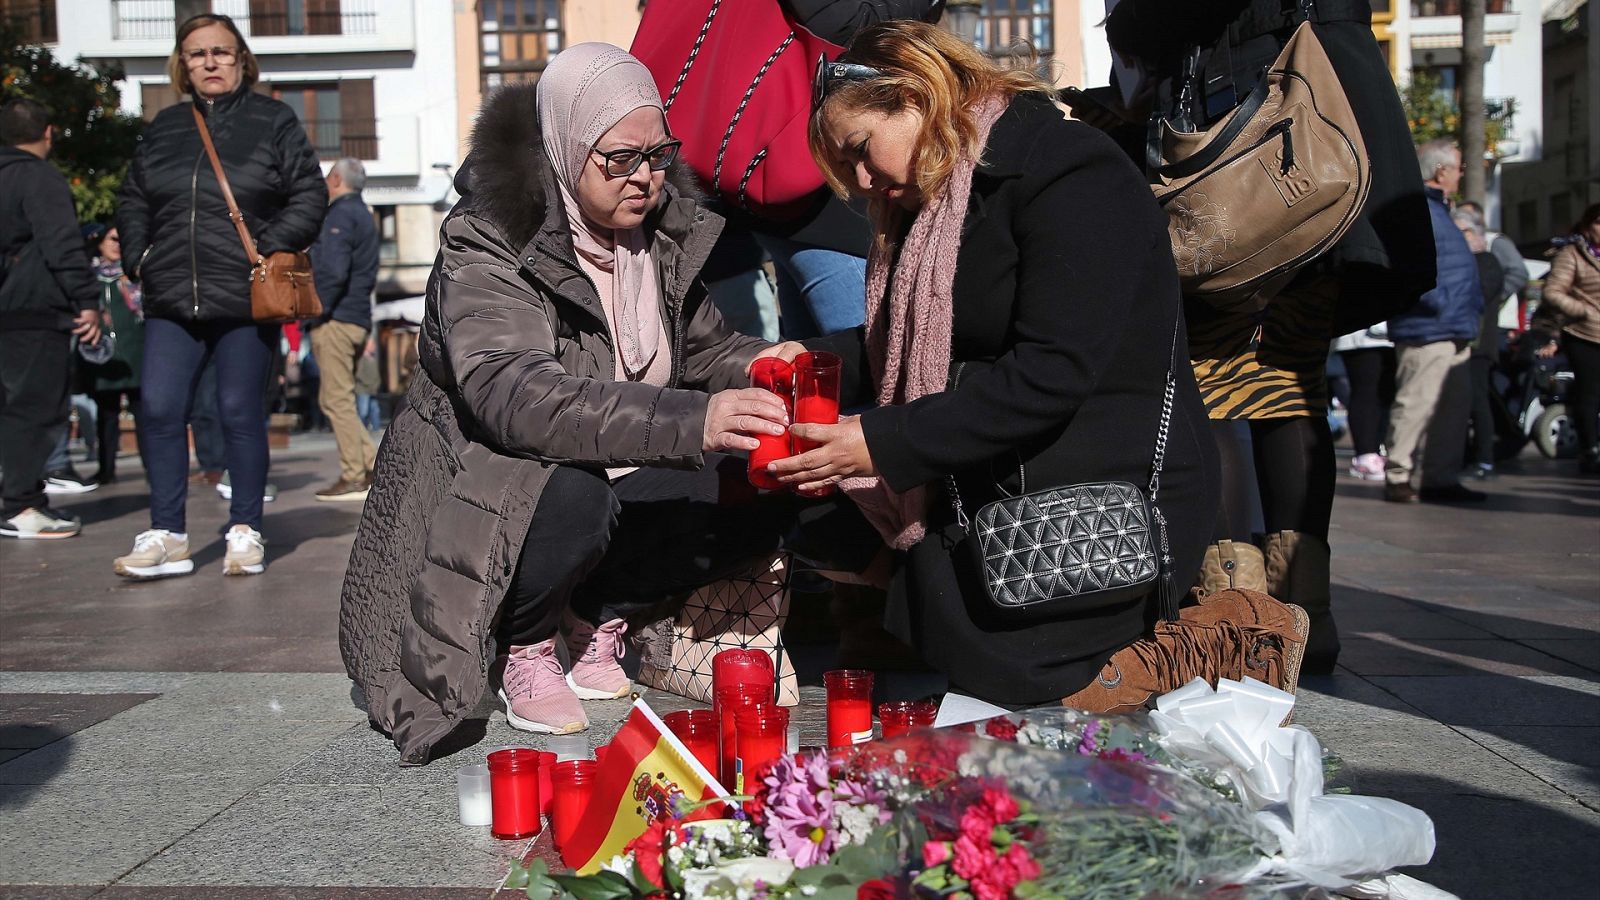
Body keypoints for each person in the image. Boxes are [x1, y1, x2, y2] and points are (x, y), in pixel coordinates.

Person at [338, 45, 881, 764]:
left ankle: (594, 612)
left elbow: (703, 350)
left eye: (658, 154)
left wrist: (756, 360)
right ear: (565, 146)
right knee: (571, 497)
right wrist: (696, 420)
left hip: (623, 458)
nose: (646, 177)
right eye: (619, 158)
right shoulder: (491, 240)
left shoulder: (660, 234)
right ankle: (524, 644)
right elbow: (515, 397)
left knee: (765, 483)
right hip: (490, 477)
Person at [784, 21, 1307, 712]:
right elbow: (909, 342)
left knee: (1032, 687)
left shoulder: (1066, 170)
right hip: (996, 463)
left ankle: (1219, 634)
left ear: (915, 95)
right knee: (800, 502)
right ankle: (932, 615)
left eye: (860, 151)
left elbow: (1053, 371)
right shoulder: (940, 198)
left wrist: (879, 443)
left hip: (1099, 480)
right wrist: (803, 362)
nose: (861, 181)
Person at [1101, 0, 1437, 676]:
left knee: (1219, 384)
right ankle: (1307, 607)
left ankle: (1241, 615)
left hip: (1244, 152)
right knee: (1290, 381)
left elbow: (1152, 25)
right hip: (1323, 146)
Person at [114, 12, 326, 578]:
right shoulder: (164, 128)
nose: (209, 62)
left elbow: (309, 194)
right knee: (158, 409)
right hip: (171, 296)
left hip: (244, 295)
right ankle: (167, 534)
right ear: (182, 65)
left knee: (239, 413)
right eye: (197, 53)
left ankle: (245, 528)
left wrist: (264, 247)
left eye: (221, 52)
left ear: (241, 61)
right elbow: (133, 197)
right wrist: (140, 258)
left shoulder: (273, 120)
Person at [0, 98, 100, 540]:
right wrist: (86, 299)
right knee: (34, 409)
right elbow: (61, 245)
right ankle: (21, 504)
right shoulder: (38, 178)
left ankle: (19, 497)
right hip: (33, 310)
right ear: (49, 133)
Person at [1383, 140, 1484, 504]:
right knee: (1417, 403)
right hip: (1430, 327)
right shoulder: (1420, 209)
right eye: (1459, 167)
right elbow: (1409, 266)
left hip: (1450, 327)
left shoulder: (1438, 210)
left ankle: (1440, 478)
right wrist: (1436, 304)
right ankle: (1398, 474)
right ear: (1441, 171)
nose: (1462, 174)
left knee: (1450, 409)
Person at [308, 157, 380, 502]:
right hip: (355, 316)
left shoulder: (340, 215)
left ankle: (354, 474)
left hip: (336, 318)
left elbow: (333, 271)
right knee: (339, 398)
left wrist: (316, 308)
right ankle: (371, 465)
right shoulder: (364, 215)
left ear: (335, 179)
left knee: (337, 399)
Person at [79, 223, 148, 484]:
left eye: (121, 239)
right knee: (106, 417)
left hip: (135, 355)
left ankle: (152, 469)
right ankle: (105, 469)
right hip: (104, 359)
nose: (117, 244)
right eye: (112, 239)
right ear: (99, 243)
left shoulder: (134, 276)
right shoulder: (89, 277)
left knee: (143, 414)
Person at [1539, 203, 1600, 475]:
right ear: (1588, 226)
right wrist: (1582, 310)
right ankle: (1590, 450)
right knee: (1589, 394)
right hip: (1584, 334)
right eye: (1599, 223)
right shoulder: (1572, 254)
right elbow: (1553, 292)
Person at [1451, 206, 1508, 480]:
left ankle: (1484, 458)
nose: (1460, 237)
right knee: (1461, 403)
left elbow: (1477, 295)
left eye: (1465, 231)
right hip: (1463, 341)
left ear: (1477, 235)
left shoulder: (1487, 261)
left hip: (1479, 345)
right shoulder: (1463, 261)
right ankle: (1464, 456)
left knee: (1477, 401)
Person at [1332, 323, 1394, 481]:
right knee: (1366, 390)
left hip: (1390, 335)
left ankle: (1377, 451)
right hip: (1361, 335)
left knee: (1385, 394)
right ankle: (1365, 455)